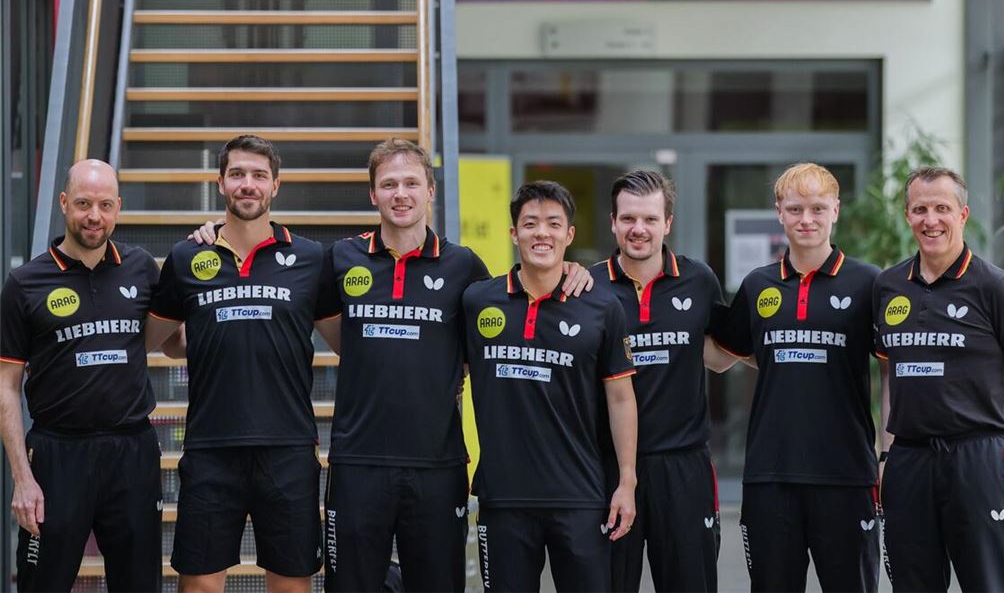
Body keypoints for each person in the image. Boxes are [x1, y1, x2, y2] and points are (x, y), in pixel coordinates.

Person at [315, 139, 593, 592]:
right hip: (357, 462)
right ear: (372, 194)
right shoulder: (341, 258)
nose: (400, 194)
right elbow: (338, 334)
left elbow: (506, 322)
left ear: (430, 191)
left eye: (410, 183)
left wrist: (578, 271)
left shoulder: (464, 267)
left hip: (438, 465)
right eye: (388, 184)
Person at [146, 135, 339, 593]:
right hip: (212, 447)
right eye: (237, 174)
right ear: (220, 183)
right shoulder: (189, 257)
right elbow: (163, 343)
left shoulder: (311, 259)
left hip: (288, 447)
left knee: (291, 584)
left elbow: (348, 342)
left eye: (258, 175)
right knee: (200, 585)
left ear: (276, 186)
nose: (247, 184)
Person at [0, 160, 171, 592]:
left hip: (132, 452)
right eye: (82, 203)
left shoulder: (141, 268)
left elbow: (172, 341)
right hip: (58, 456)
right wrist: (22, 478)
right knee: (43, 584)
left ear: (118, 207)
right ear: (63, 204)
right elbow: (6, 386)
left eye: (104, 204)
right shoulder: (25, 283)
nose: (94, 215)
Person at [714, 163, 884, 592]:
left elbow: (894, 369)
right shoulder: (758, 285)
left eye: (817, 208)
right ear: (779, 213)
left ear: (836, 211)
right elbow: (720, 357)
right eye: (795, 209)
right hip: (771, 476)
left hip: (846, 474)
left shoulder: (870, 283)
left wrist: (889, 453)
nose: (806, 219)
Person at [462, 180, 638, 592]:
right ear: (513, 233)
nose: (542, 233)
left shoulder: (601, 307)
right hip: (503, 498)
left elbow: (621, 397)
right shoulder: (477, 302)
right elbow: (450, 376)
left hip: (579, 497)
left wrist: (627, 481)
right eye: (531, 223)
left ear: (569, 234)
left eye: (553, 224)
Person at [873, 166, 1004, 592]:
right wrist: (887, 454)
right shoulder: (888, 287)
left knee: (990, 582)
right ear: (907, 216)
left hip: (979, 457)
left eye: (942, 208)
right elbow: (889, 372)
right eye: (920, 209)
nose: (930, 220)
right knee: (912, 582)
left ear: (963, 214)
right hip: (909, 460)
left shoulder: (995, 287)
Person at [591, 170, 740, 592]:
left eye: (650, 219)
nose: (639, 229)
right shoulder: (588, 286)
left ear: (668, 223)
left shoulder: (698, 280)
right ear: (613, 222)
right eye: (629, 219)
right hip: (608, 469)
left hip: (683, 466)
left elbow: (718, 355)